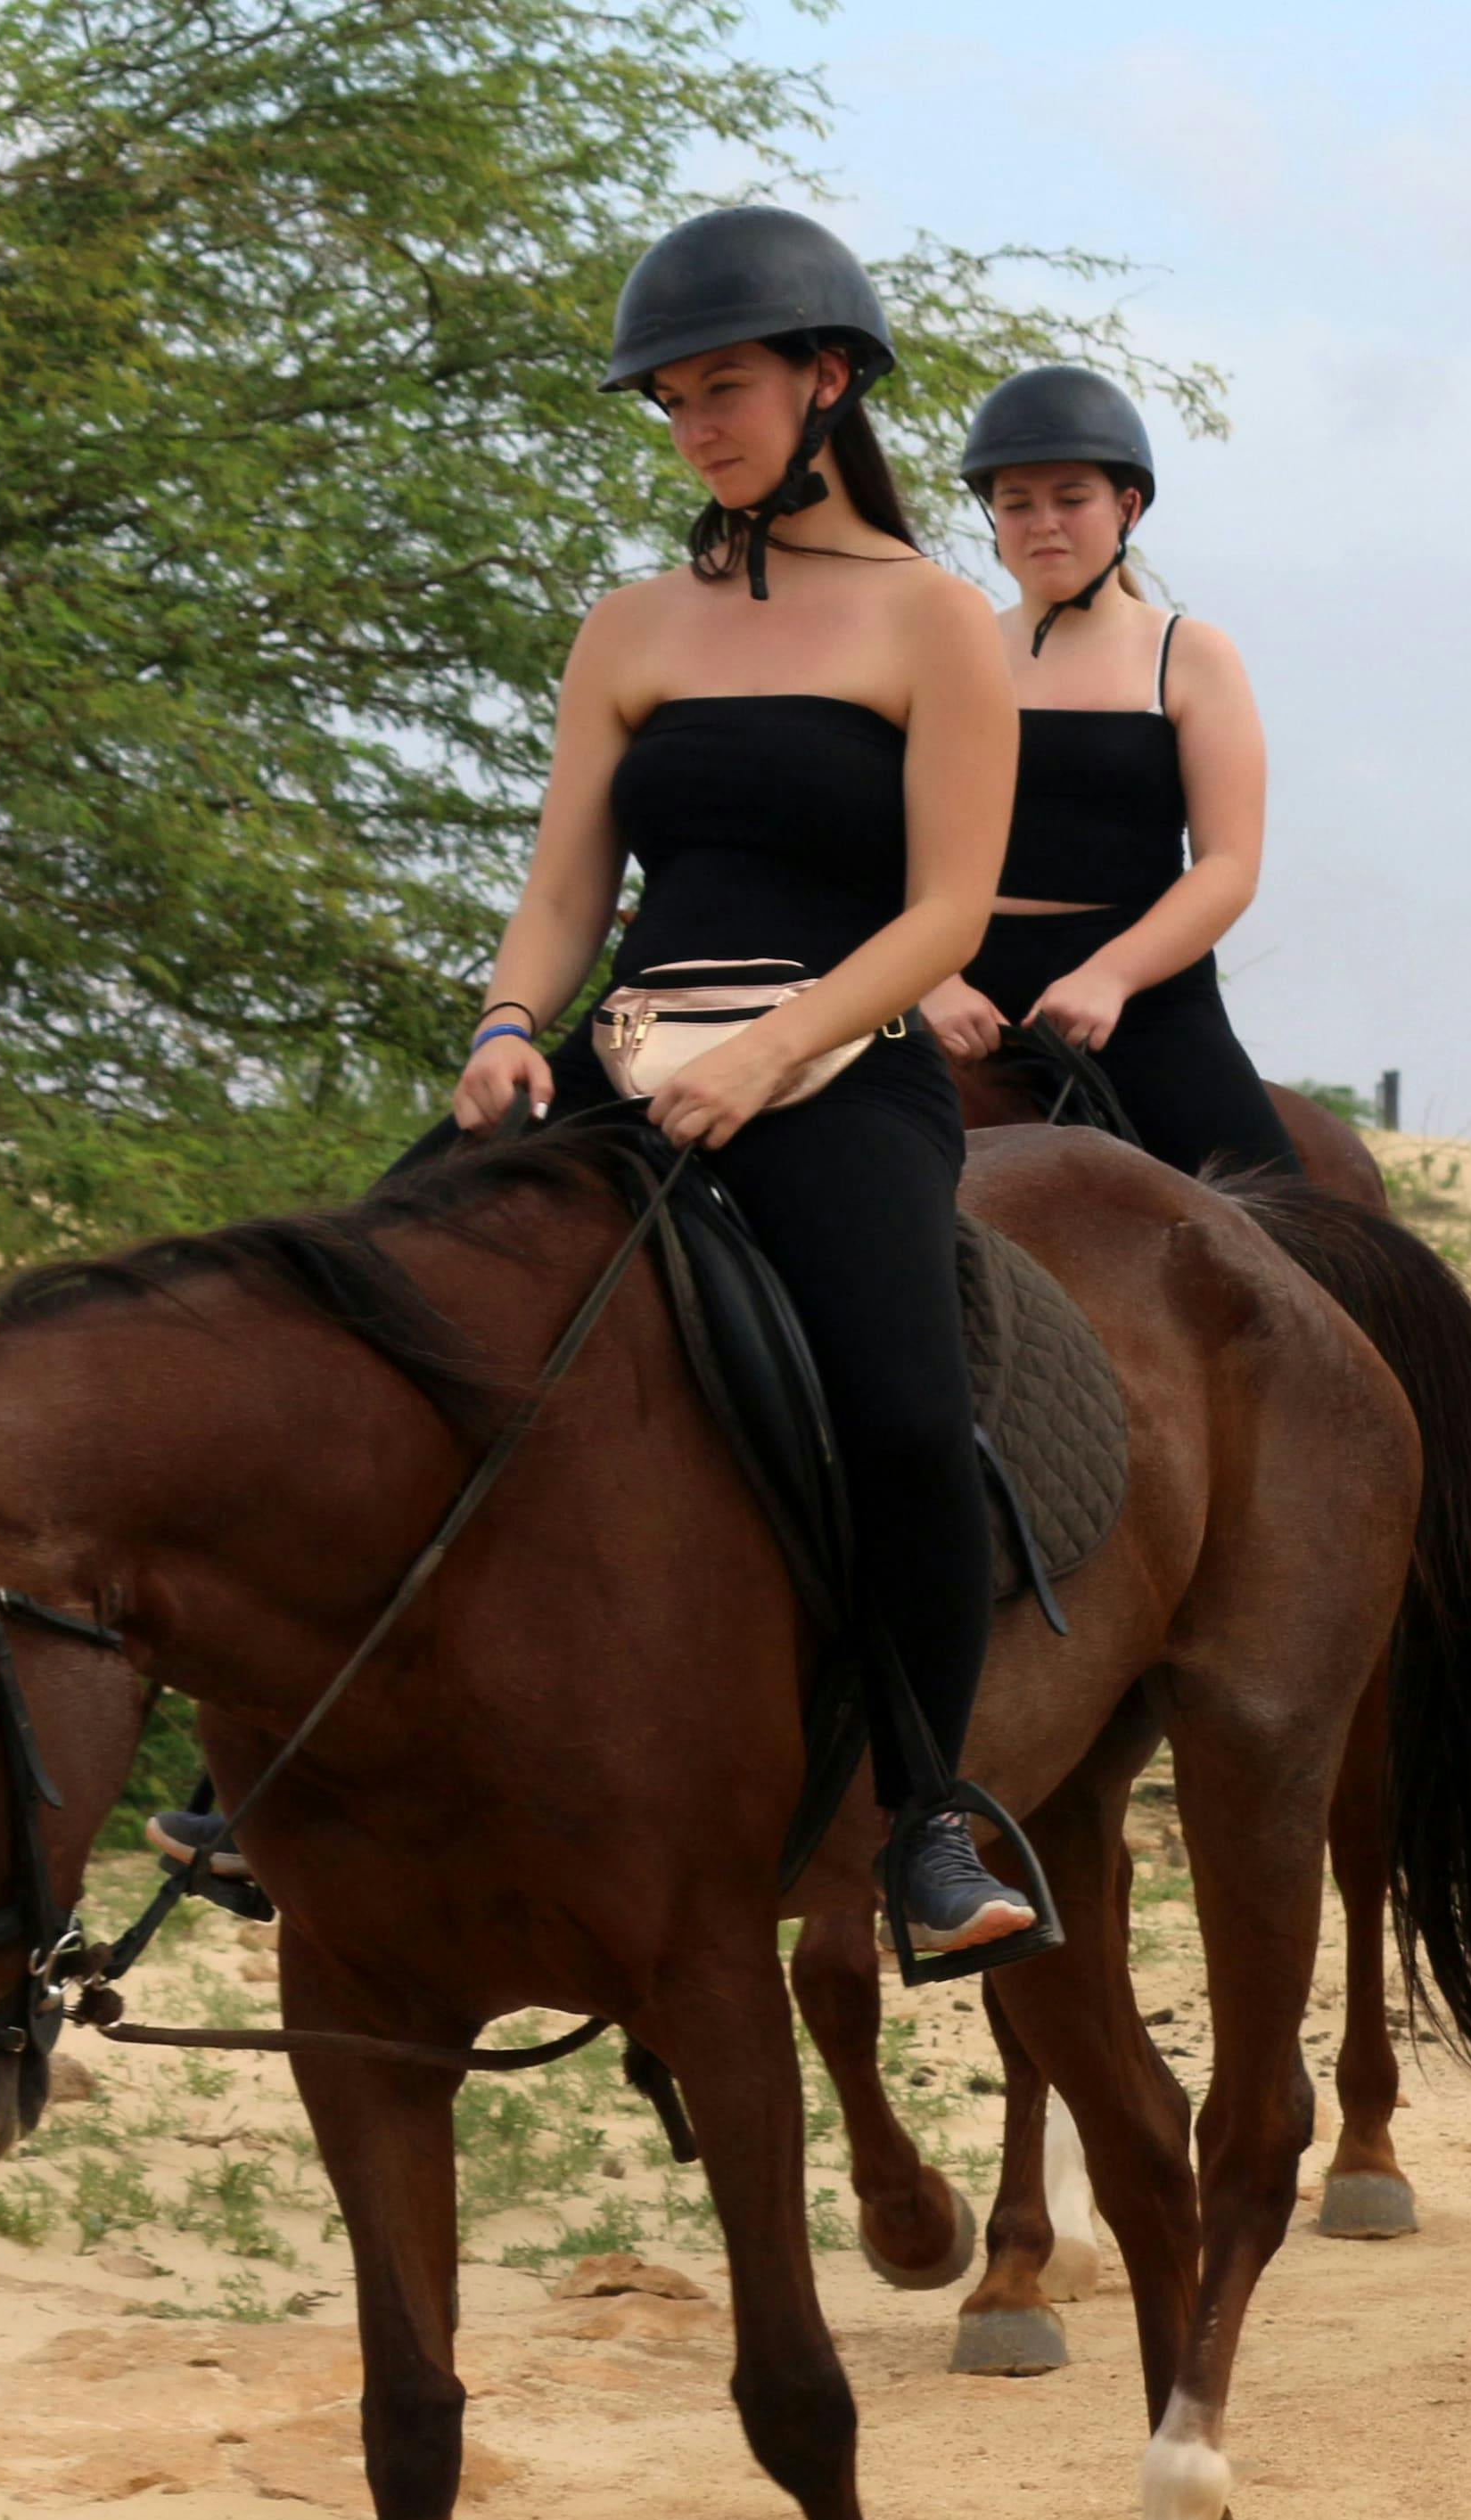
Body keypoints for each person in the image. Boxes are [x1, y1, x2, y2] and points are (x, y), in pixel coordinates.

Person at [431, 205, 1031, 1957]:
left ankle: (926, 1818)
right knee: (382, 1297)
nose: (697, 424)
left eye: (727, 388)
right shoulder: (630, 625)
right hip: (627, 1056)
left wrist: (778, 1050)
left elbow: (949, 911)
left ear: (827, 381)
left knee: (910, 1419)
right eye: (672, 399)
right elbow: (564, 895)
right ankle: (275, 1779)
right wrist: (501, 1031)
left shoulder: (937, 621)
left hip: (844, 1066)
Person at [923, 365, 1296, 1177]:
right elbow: (890, 843)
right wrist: (933, 980)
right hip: (959, 994)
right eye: (1016, 503)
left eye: (1070, 498)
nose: (1042, 523)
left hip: (1141, 994)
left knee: (1289, 1232)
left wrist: (1109, 977)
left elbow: (1230, 865)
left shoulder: (1189, 654)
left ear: (1125, 507)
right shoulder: (949, 656)